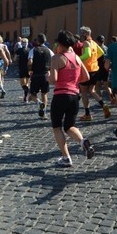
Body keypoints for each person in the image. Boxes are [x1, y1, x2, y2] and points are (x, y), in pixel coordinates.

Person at [48, 30, 94, 167]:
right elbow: (86, 77)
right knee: (69, 126)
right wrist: (74, 79)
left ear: (60, 44)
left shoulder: (57, 58)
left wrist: (47, 77)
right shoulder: (77, 58)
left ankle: (66, 157)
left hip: (60, 95)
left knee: (57, 127)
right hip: (74, 96)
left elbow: (53, 79)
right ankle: (83, 141)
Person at [78, 26, 110, 121]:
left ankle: (87, 114)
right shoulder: (94, 43)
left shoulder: (86, 43)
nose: (81, 34)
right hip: (95, 70)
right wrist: (93, 59)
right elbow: (101, 53)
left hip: (87, 70)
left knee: (84, 92)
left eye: (82, 33)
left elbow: (87, 54)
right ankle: (103, 104)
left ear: (85, 33)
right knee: (92, 91)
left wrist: (77, 58)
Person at [28, 33, 54, 118]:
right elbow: (53, 61)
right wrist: (50, 70)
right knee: (44, 94)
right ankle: (44, 113)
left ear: (37, 41)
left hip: (36, 74)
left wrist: (29, 69)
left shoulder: (33, 50)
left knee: (32, 94)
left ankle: (40, 103)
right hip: (45, 75)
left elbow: (30, 62)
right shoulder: (49, 50)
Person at [16, 37, 31, 103]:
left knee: (22, 84)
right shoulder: (30, 50)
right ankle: (26, 98)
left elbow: (14, 58)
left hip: (21, 68)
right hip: (28, 68)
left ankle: (27, 91)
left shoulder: (19, 50)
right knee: (27, 83)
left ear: (21, 43)